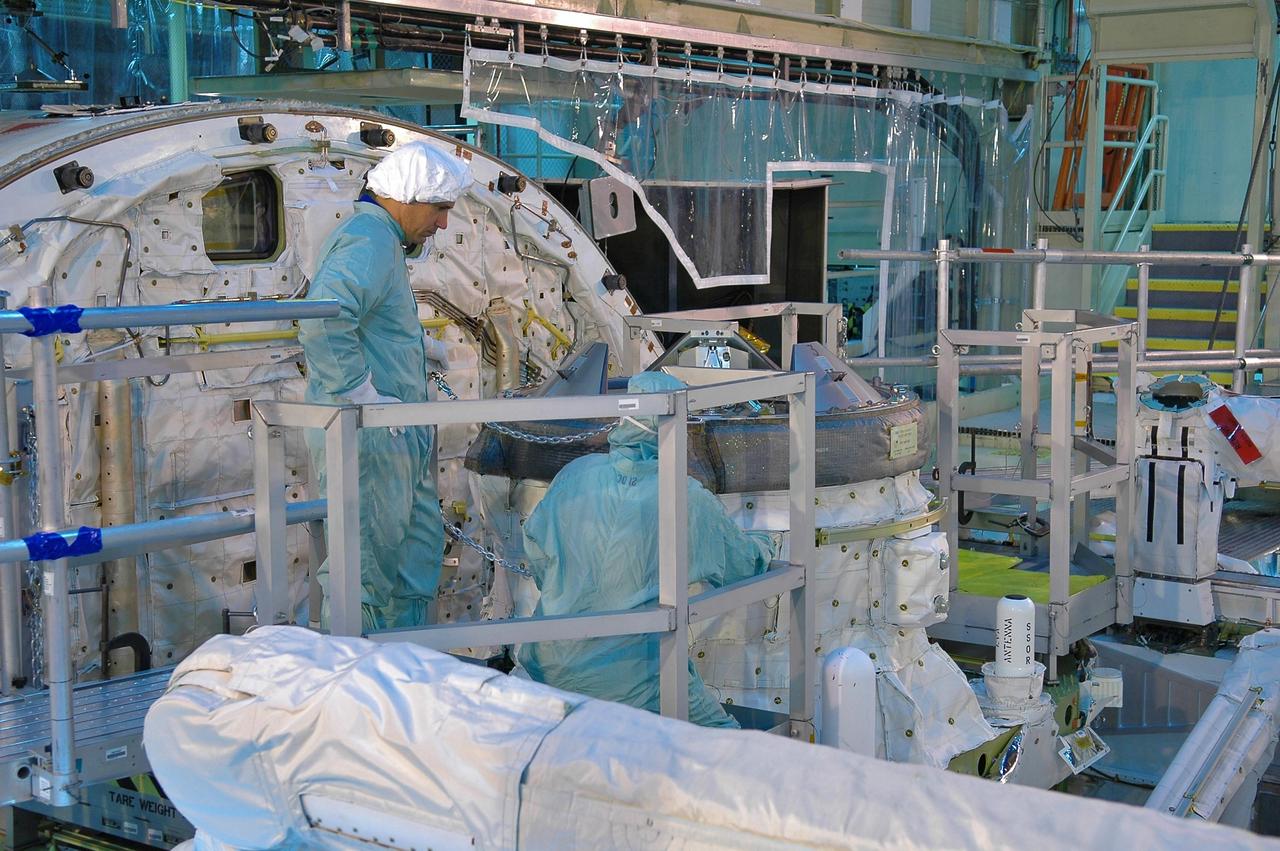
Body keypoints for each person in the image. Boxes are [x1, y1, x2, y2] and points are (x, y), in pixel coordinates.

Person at [516, 371, 778, 727]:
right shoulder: (684, 495)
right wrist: (768, 540)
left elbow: (537, 551)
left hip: (549, 663)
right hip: (637, 680)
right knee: (729, 744)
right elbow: (743, 563)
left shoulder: (576, 474)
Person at [297, 141, 472, 631]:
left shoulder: (381, 243)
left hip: (395, 432)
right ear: (408, 198)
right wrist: (358, 393)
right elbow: (323, 320)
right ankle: (357, 684)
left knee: (412, 557)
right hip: (370, 435)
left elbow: (363, 319)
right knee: (367, 569)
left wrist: (414, 351)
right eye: (440, 210)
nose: (442, 225)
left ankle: (406, 668)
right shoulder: (370, 240)